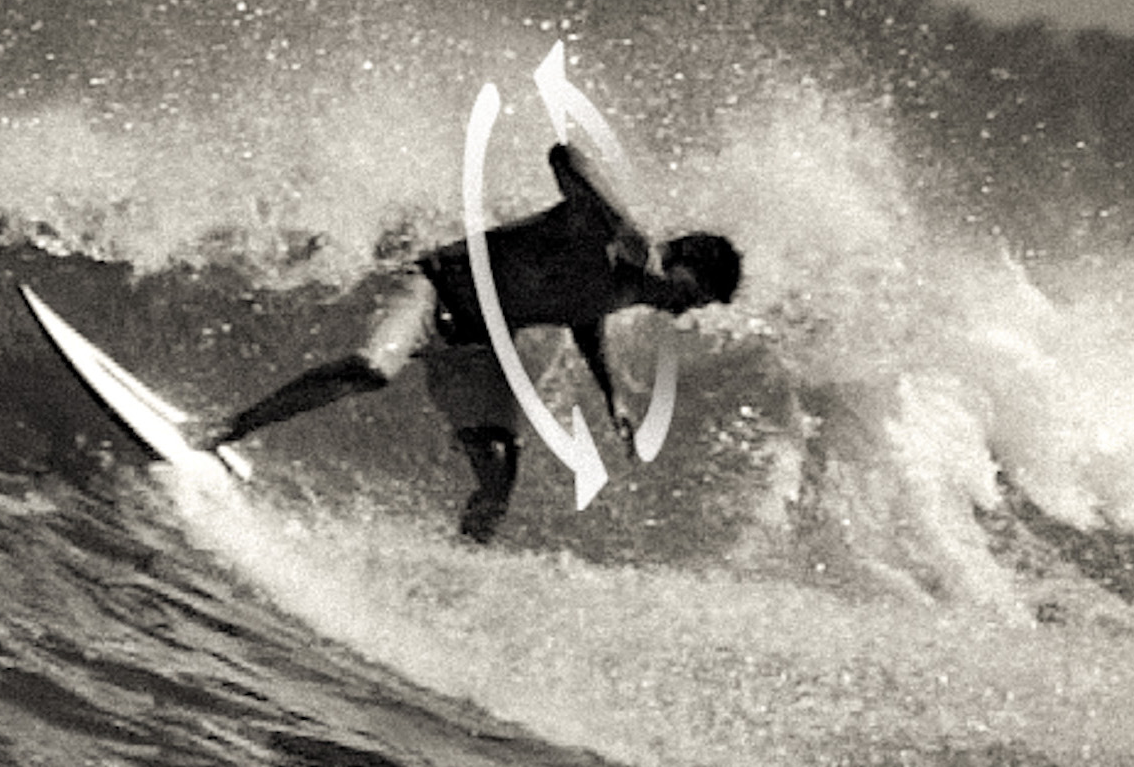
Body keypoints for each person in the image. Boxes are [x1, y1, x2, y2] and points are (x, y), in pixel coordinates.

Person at [206, 141, 742, 542]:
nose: (689, 311)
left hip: (478, 342)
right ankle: (229, 427)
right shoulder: (611, 237)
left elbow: (584, 317)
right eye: (699, 296)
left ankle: (456, 570)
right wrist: (618, 220)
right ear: (685, 265)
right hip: (433, 290)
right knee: (370, 370)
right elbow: (565, 156)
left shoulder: (632, 292)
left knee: (498, 476)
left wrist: (612, 397)